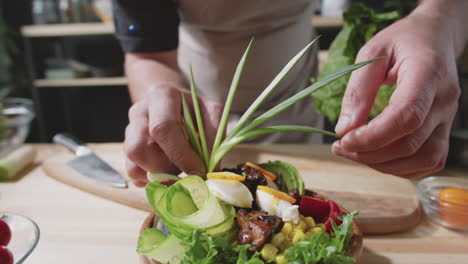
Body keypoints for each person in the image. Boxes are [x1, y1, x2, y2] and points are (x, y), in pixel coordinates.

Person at [113, 0, 467, 187]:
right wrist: (160, 102)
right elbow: (147, 51)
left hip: (304, 117)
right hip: (203, 126)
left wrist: (437, 20)